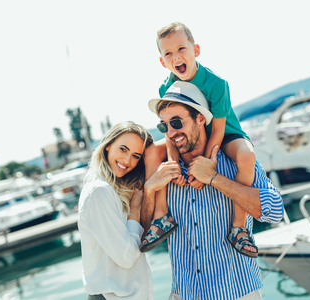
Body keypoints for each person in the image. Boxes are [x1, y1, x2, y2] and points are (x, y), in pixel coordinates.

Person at [141, 82, 284, 300]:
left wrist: (214, 178)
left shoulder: (237, 162)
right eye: (164, 126)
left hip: (237, 294)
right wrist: (150, 188)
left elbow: (274, 211)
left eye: (177, 122)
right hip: (184, 294)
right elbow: (143, 230)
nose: (170, 132)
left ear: (201, 118)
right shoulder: (163, 174)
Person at [142, 22, 258, 257]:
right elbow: (169, 131)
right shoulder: (166, 87)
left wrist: (205, 165)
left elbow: (217, 129)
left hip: (225, 133)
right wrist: (174, 165)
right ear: (162, 61)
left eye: (181, 49)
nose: (176, 57)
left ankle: (238, 227)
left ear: (195, 50)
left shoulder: (216, 84)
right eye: (168, 53)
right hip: (189, 134)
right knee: (152, 152)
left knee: (246, 155)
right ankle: (162, 215)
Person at [77, 121, 154, 300]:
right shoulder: (99, 191)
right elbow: (126, 256)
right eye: (123, 149)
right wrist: (134, 210)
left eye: (136, 156)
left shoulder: (113, 189)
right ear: (108, 145)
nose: (127, 161)